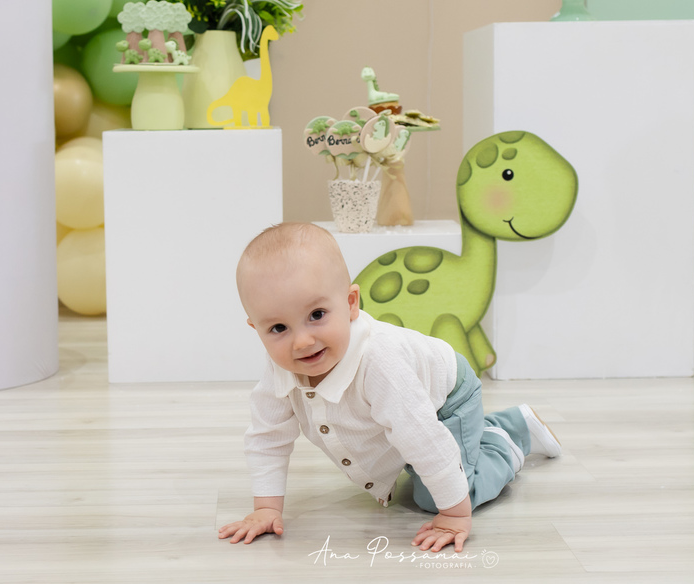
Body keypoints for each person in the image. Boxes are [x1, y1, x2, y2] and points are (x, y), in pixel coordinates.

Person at [218, 222, 561, 553]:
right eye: (278, 328)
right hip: (407, 409)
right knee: (415, 455)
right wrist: (266, 508)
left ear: (351, 303)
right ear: (256, 329)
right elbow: (267, 437)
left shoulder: (379, 364)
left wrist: (455, 514)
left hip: (448, 399)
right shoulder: (280, 368)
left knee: (438, 495)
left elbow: (423, 438)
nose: (302, 341)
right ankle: (480, 438)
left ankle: (510, 434)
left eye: (317, 314)